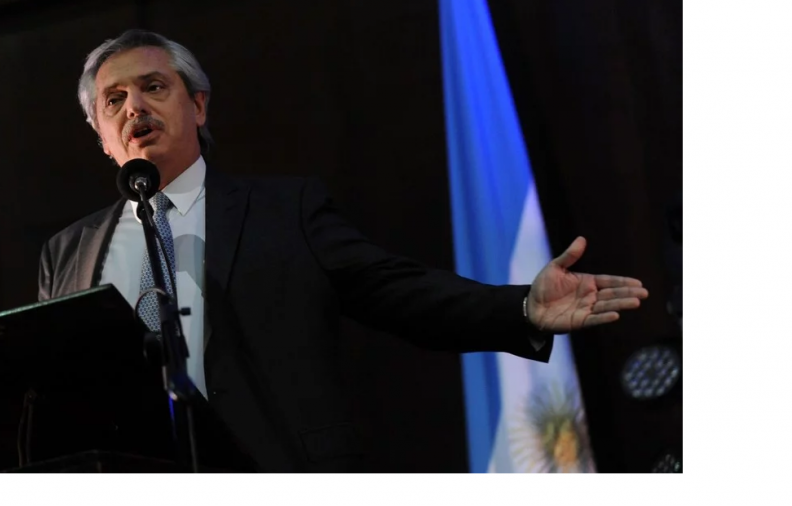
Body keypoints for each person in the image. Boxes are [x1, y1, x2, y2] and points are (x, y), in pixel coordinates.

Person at [37, 29, 648, 472]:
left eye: (153, 87)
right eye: (114, 100)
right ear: (102, 137)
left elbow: (400, 292)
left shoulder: (285, 212)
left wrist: (522, 308)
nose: (135, 108)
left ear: (197, 106)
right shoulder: (66, 254)